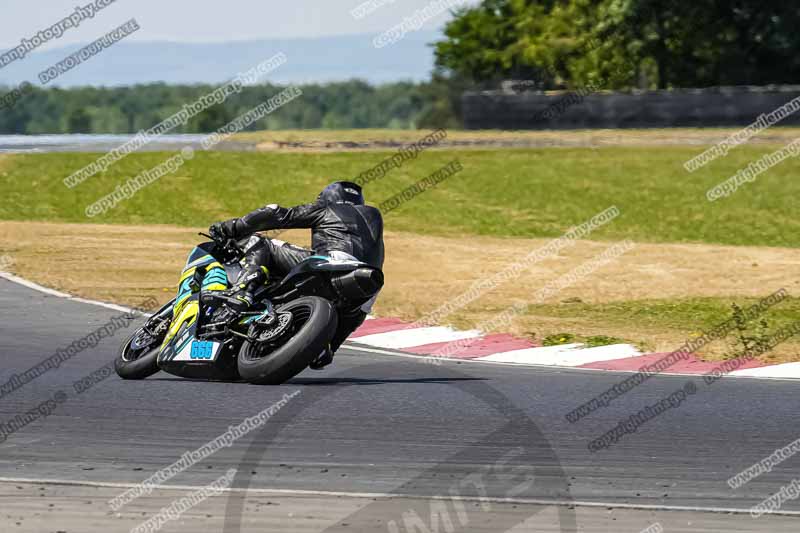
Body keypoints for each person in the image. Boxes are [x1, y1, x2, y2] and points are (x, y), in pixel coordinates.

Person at [190, 181, 383, 369]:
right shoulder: (374, 221)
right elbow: (358, 315)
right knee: (350, 318)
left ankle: (243, 291)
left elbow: (275, 212)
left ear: (328, 198)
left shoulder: (328, 209)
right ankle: (326, 348)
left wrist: (231, 227)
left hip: (331, 264)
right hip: (368, 283)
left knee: (261, 242)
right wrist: (332, 345)